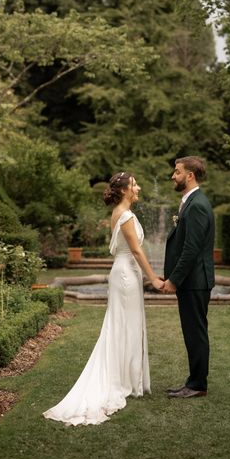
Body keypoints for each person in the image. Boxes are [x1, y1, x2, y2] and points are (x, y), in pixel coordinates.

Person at [43, 172, 163, 425]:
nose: (138, 188)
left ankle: (125, 378)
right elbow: (137, 251)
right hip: (125, 275)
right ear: (123, 190)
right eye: (134, 185)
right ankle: (119, 380)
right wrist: (153, 278)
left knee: (123, 326)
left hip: (124, 273)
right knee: (123, 327)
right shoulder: (126, 215)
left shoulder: (121, 213)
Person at [161, 156, 215, 398]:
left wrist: (174, 280)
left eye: (177, 171)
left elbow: (191, 249)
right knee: (192, 332)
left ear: (189, 175)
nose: (173, 176)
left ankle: (197, 385)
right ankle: (194, 381)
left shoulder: (197, 205)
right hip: (192, 282)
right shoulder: (190, 202)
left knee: (195, 332)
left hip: (194, 281)